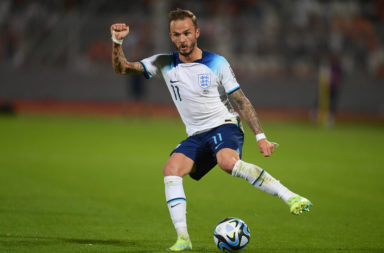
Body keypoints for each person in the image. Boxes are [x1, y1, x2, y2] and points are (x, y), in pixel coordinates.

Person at [110, 8, 312, 251]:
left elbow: (241, 101)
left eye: (186, 33)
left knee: (228, 162)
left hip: (224, 125)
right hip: (196, 135)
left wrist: (261, 137)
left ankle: (290, 196)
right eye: (176, 35)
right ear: (171, 36)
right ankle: (183, 239)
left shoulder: (217, 63)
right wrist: (117, 42)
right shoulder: (164, 62)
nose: (182, 39)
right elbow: (122, 68)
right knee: (171, 170)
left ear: (196, 33)